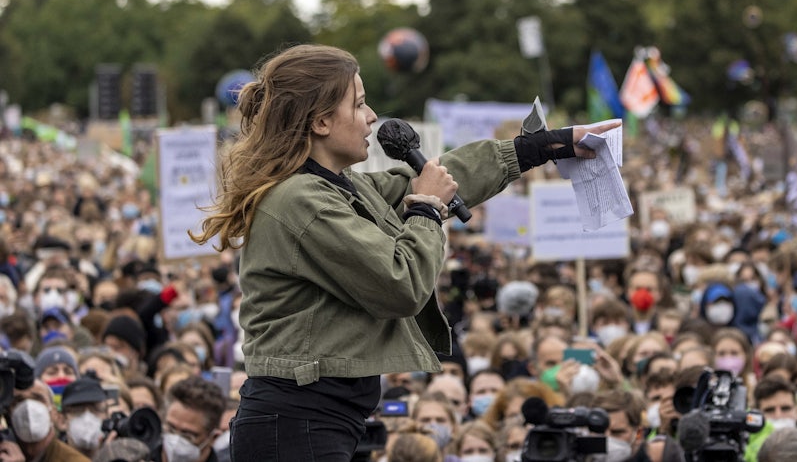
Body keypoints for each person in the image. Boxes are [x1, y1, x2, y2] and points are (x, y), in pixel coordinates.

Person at [193, 44, 615, 461]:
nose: (372, 117)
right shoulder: (302, 200)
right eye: (358, 105)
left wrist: (538, 148)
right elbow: (401, 283)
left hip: (317, 420)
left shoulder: (335, 187)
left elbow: (430, 180)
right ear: (321, 121)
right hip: (297, 424)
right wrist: (428, 210)